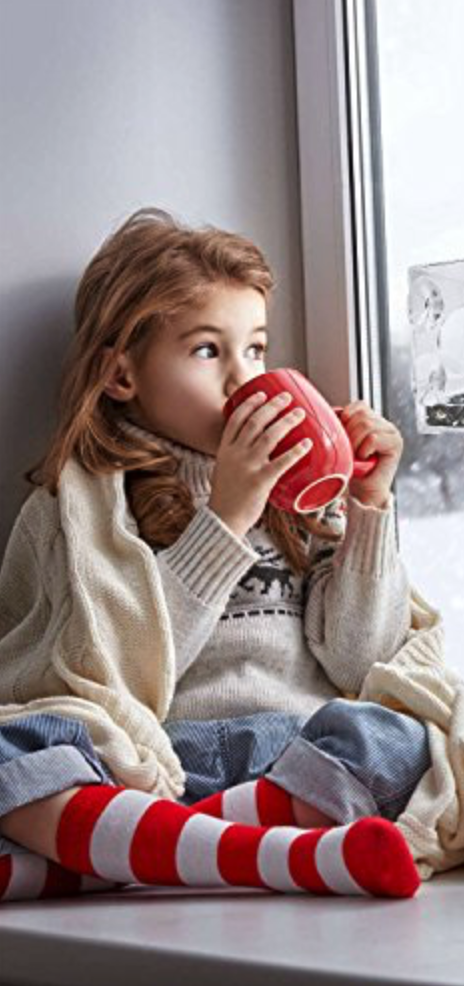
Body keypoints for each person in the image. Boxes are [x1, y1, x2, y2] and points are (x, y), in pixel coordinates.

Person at [0, 208, 430, 901]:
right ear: (121, 376)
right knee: (12, 749)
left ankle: (121, 854)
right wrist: (227, 515)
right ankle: (248, 853)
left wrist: (368, 511)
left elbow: (362, 657)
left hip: (290, 754)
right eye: (208, 351)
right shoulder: (78, 508)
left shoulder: (301, 498)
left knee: (392, 738)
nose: (242, 379)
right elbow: (112, 670)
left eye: (256, 350)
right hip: (156, 756)